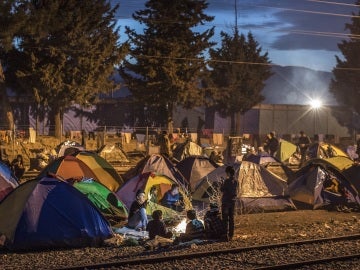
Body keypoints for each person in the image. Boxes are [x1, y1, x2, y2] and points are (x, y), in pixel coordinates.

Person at [220, 166, 239, 241]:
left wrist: (222, 183)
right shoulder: (236, 181)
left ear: (228, 172)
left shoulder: (227, 181)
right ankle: (231, 235)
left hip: (226, 202)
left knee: (225, 219)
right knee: (231, 219)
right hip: (232, 202)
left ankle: (225, 235)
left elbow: (222, 190)